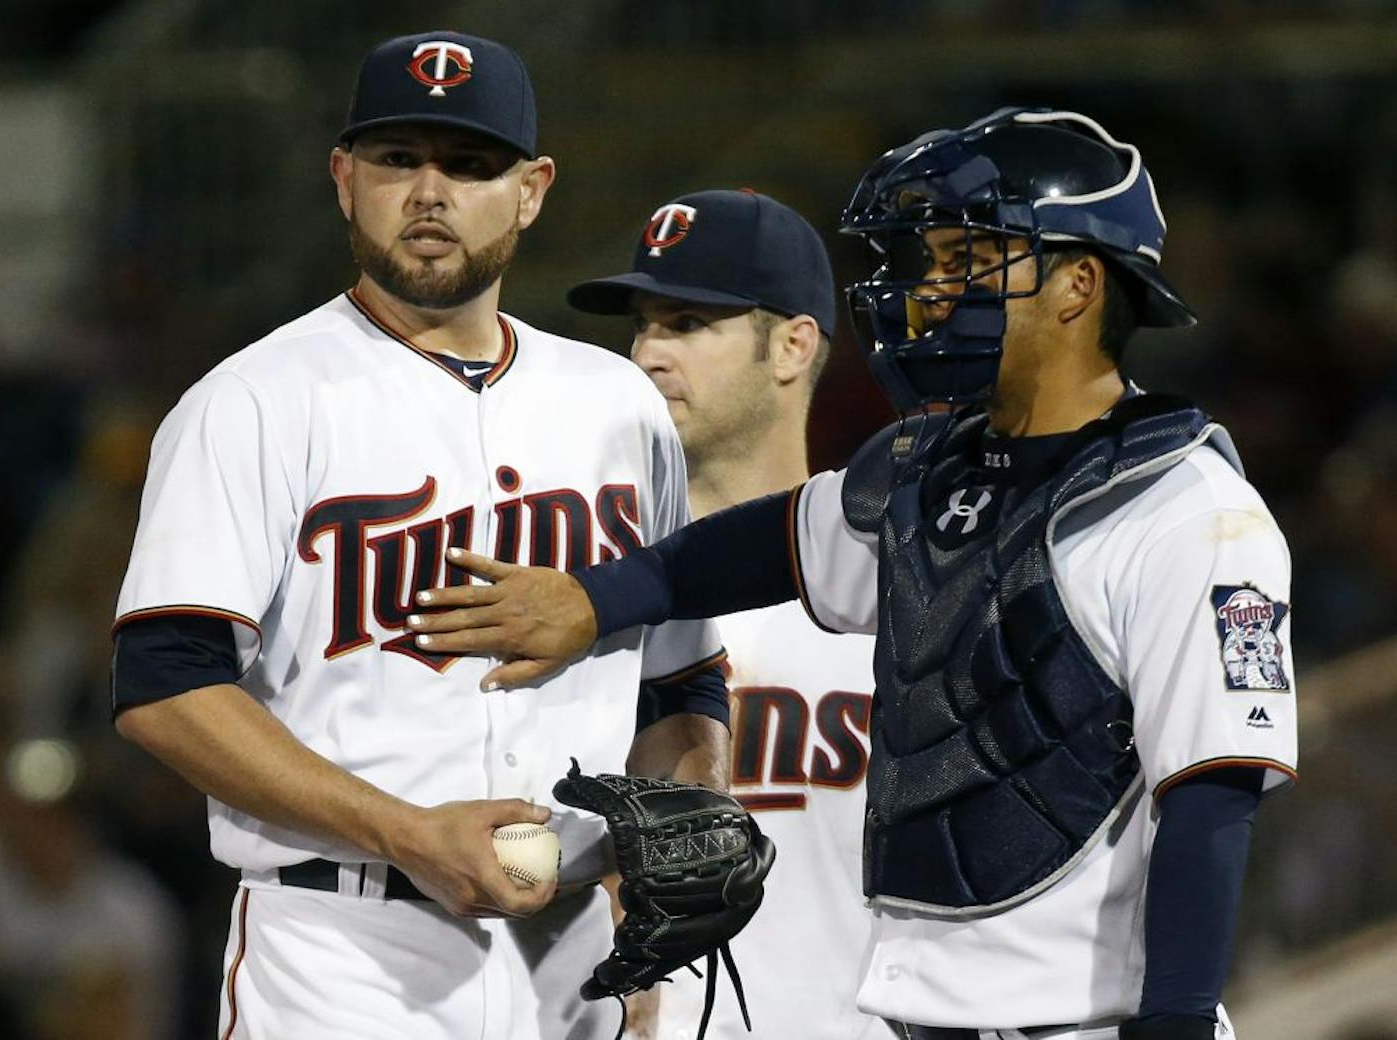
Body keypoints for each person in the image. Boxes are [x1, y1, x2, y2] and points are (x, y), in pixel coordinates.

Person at [408, 107, 1299, 1040]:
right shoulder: (933, 472)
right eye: (936, 263)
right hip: (918, 1019)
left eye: (970, 261)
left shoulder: (1187, 512)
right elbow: (757, 545)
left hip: (1088, 1023)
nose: (935, 292)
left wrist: (1181, 1019)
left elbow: (1208, 795)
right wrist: (593, 599)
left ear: (1078, 284)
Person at [110, 30, 730, 1040]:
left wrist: (674, 835)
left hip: (575, 950)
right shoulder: (252, 400)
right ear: (344, 179)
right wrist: (404, 831)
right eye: (399, 159)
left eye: (469, 164)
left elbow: (679, 679)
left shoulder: (617, 404)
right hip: (340, 949)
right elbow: (164, 686)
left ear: (531, 190)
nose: (429, 191)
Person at [566, 189, 891, 1040]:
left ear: (792, 345)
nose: (645, 353)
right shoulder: (581, 598)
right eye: (640, 324)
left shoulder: (899, 589)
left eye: (685, 323)